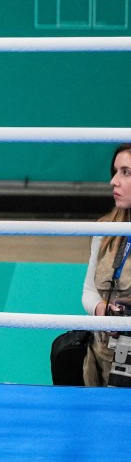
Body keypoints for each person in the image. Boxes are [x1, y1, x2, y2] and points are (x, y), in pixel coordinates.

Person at [80, 143, 131, 386]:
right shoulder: (103, 229)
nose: (114, 181)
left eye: (126, 172)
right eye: (115, 171)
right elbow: (88, 291)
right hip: (99, 359)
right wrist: (102, 309)